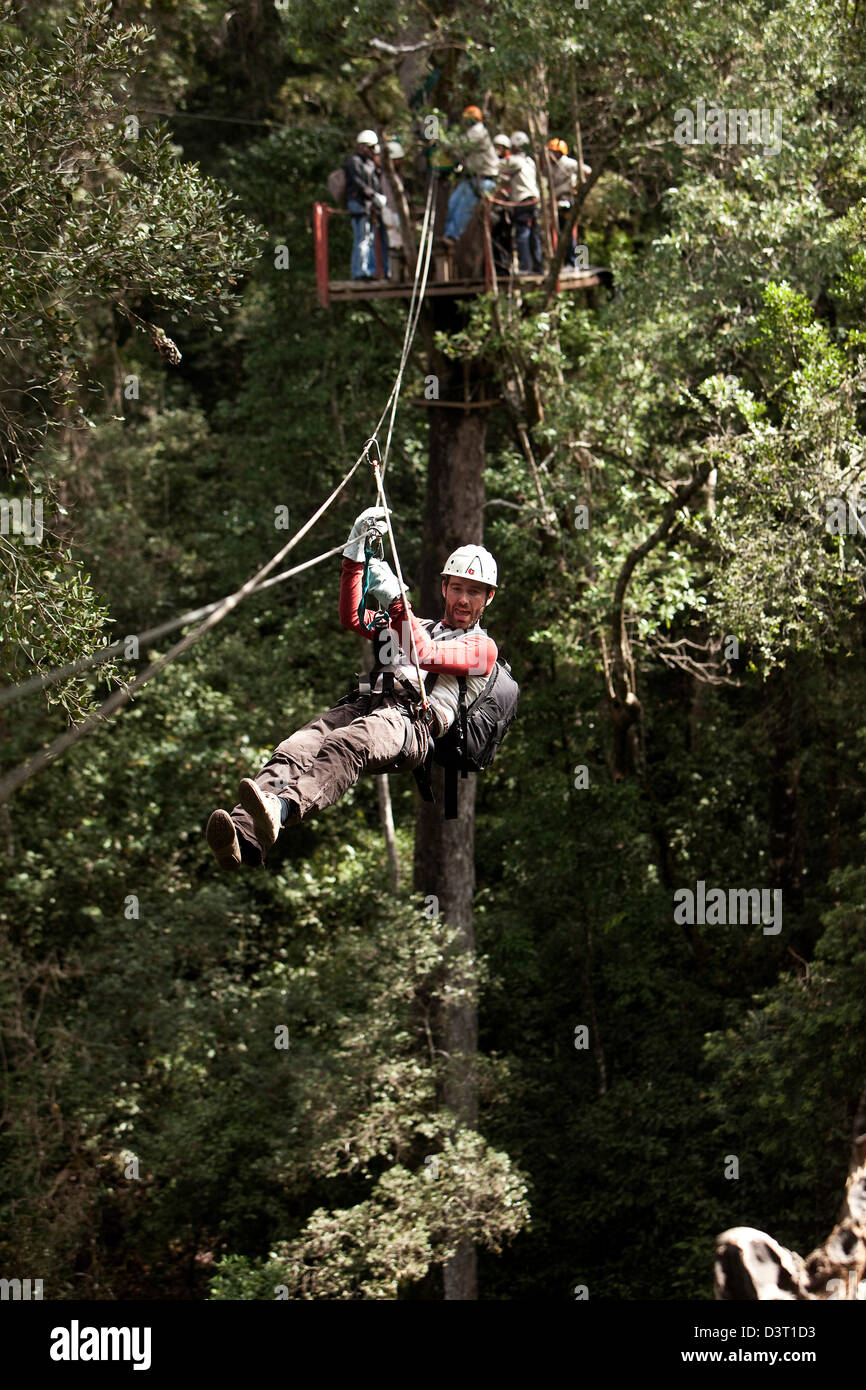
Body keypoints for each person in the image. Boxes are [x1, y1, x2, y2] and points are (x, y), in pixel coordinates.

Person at [205, 508, 500, 870]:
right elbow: (354, 617)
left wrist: (395, 600)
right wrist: (355, 557)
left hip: (410, 725)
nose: (463, 600)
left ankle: (280, 809)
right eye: (457, 588)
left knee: (349, 742)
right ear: (444, 588)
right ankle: (243, 839)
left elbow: (427, 653)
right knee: (295, 749)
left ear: (488, 598)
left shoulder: (482, 649)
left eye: (474, 592)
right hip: (368, 701)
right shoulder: (415, 623)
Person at [444, 105, 500, 243]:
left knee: (464, 206)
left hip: (485, 179)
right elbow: (461, 153)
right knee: (453, 202)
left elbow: (462, 144)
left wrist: (444, 141)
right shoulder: (471, 133)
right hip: (472, 179)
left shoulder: (478, 132)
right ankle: (448, 233)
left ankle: (453, 236)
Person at [344, 130, 389, 280]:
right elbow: (358, 183)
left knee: (369, 239)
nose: (370, 150)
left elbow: (375, 183)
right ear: (361, 146)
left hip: (368, 207)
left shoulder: (370, 164)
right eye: (368, 147)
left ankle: (369, 270)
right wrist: (372, 194)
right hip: (358, 205)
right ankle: (360, 272)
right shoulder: (354, 162)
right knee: (362, 238)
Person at [547, 138, 591, 269]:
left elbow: (587, 171)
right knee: (561, 233)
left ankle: (573, 262)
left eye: (553, 152)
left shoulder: (567, 163)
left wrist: (577, 187)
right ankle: (568, 262)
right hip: (557, 202)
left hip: (567, 201)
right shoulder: (552, 167)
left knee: (569, 233)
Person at [506, 131, 543, 273]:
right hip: (533, 200)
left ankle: (525, 267)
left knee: (523, 234)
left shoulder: (514, 160)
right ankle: (538, 267)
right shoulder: (530, 161)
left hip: (523, 201)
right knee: (534, 234)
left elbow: (496, 166)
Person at [490, 134, 514, 272]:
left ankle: (506, 265)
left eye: (500, 147)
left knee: (505, 236)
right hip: (496, 204)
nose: (497, 150)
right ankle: (498, 265)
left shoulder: (509, 163)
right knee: (496, 237)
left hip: (507, 205)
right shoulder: (494, 163)